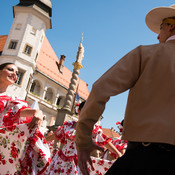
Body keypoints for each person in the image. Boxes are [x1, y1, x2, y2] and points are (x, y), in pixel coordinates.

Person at [75, 4, 175, 175]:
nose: (158, 36)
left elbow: (100, 89)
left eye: (160, 28)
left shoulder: (145, 54)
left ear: (171, 26)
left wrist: (83, 140)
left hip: (145, 158)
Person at [44, 101, 121, 175]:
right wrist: (43, 140)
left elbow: (105, 141)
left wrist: (118, 154)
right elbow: (56, 135)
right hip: (61, 160)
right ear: (79, 111)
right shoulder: (69, 125)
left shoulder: (93, 129)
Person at [0, 62, 51, 174]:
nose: (14, 74)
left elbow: (19, 111)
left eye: (17, 73)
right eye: (10, 69)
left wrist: (36, 112)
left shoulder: (10, 100)